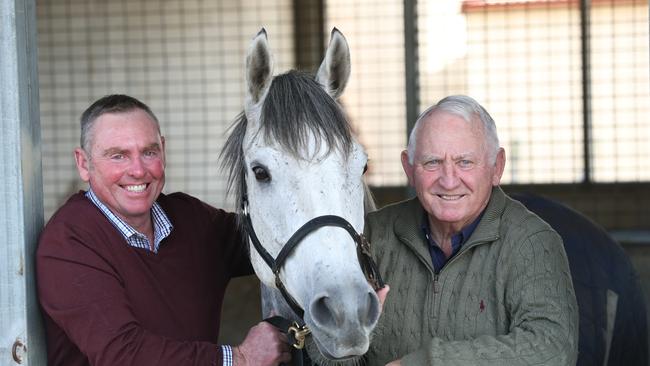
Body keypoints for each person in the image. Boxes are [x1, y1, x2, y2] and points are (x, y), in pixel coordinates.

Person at [36, 94, 291, 366]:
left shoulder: (190, 219)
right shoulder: (68, 242)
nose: (137, 170)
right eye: (118, 156)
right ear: (84, 164)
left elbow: (272, 240)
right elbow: (123, 355)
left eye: (149, 152)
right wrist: (239, 358)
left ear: (163, 150)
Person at [364, 95, 579, 365]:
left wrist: (426, 363)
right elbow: (332, 353)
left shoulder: (532, 242)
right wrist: (307, 346)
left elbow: (553, 348)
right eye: (432, 162)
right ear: (408, 167)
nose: (449, 180)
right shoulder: (374, 235)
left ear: (496, 167)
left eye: (465, 162)